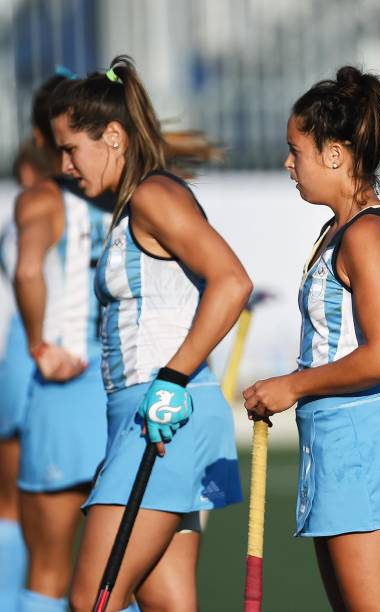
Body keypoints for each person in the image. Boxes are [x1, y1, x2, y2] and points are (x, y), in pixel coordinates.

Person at [49, 56, 251, 612]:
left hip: (163, 417)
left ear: (112, 136)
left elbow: (231, 281)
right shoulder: (133, 205)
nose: (65, 165)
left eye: (71, 149)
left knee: (92, 600)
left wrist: (173, 378)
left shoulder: (152, 196)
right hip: (149, 418)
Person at [243, 66, 380, 612]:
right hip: (332, 445)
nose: (289, 163)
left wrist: (292, 386)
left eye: (296, 150)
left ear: (335, 154)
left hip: (361, 444)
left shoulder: (370, 234)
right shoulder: (338, 229)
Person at [10, 74, 112, 612]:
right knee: (122, 576)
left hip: (65, 386)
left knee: (48, 570)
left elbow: (28, 270)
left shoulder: (40, 200)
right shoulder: (133, 191)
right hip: (120, 392)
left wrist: (37, 345)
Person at [0, 138, 52, 610]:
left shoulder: (29, 212)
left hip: (25, 352)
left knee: (15, 501)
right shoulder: (55, 211)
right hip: (42, 353)